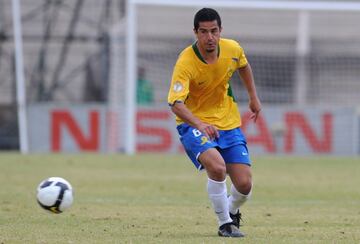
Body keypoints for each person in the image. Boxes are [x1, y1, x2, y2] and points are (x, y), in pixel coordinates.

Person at [167, 8, 261, 238]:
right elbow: (175, 103)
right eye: (204, 32)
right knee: (217, 167)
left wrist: (253, 97)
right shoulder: (186, 61)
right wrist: (199, 124)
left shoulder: (232, 49)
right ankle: (224, 224)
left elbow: (243, 65)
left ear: (220, 31)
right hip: (193, 125)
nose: (209, 37)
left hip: (227, 123)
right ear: (195, 33)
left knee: (245, 185)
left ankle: (230, 211)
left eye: (214, 31)